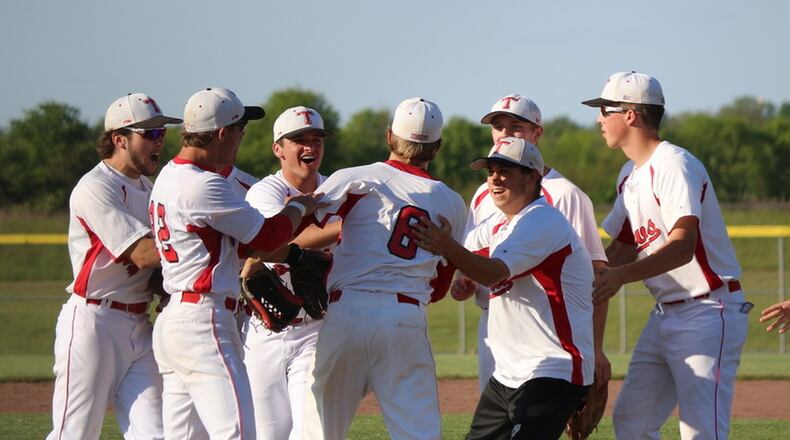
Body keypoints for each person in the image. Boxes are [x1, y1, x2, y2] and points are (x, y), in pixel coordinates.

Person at [149, 87, 325, 439]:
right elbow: (269, 236)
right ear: (221, 133)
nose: (242, 137)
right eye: (240, 129)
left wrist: (288, 251)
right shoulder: (203, 185)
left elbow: (246, 246)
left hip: (176, 320)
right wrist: (299, 207)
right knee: (238, 433)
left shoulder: (169, 175)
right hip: (204, 319)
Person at [583, 71, 750, 439]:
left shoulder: (674, 163)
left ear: (631, 115)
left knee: (701, 431)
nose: (599, 119)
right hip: (665, 316)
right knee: (631, 421)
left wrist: (619, 278)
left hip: (708, 311)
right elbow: (620, 250)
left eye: (605, 109)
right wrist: (577, 275)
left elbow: (682, 245)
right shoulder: (629, 174)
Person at [300, 97, 467, 440]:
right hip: (403, 315)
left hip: (345, 310)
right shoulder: (451, 202)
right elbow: (437, 289)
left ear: (390, 137)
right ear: (436, 148)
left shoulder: (355, 179)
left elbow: (297, 227)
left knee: (318, 431)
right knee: (417, 433)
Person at [412, 137, 595, 440]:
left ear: (532, 176)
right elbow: (466, 253)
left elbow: (492, 272)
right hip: (508, 374)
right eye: (491, 170)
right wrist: (461, 272)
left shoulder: (542, 220)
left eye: (506, 170)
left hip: (553, 369)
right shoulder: (501, 223)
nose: (494, 178)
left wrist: (448, 247)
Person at [48, 93, 181, 440]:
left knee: (157, 433)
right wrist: (212, 246)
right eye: (149, 133)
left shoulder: (150, 189)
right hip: (95, 324)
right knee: (75, 434)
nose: (159, 141)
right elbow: (142, 254)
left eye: (161, 132)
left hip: (140, 324)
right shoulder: (95, 187)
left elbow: (155, 272)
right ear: (120, 139)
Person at [460, 95, 610, 392]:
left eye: (515, 126)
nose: (504, 133)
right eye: (498, 126)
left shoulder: (565, 193)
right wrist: (465, 279)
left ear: (536, 133)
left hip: (549, 327)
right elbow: (472, 253)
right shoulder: (484, 192)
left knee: (538, 417)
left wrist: (596, 348)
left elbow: (597, 272)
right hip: (495, 321)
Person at [242, 106, 341, 440]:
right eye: (299, 139)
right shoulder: (264, 192)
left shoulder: (337, 190)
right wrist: (346, 226)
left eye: (317, 138)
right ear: (278, 149)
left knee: (311, 431)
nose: (310, 146)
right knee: (266, 434)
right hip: (265, 333)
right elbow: (283, 239)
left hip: (316, 328)